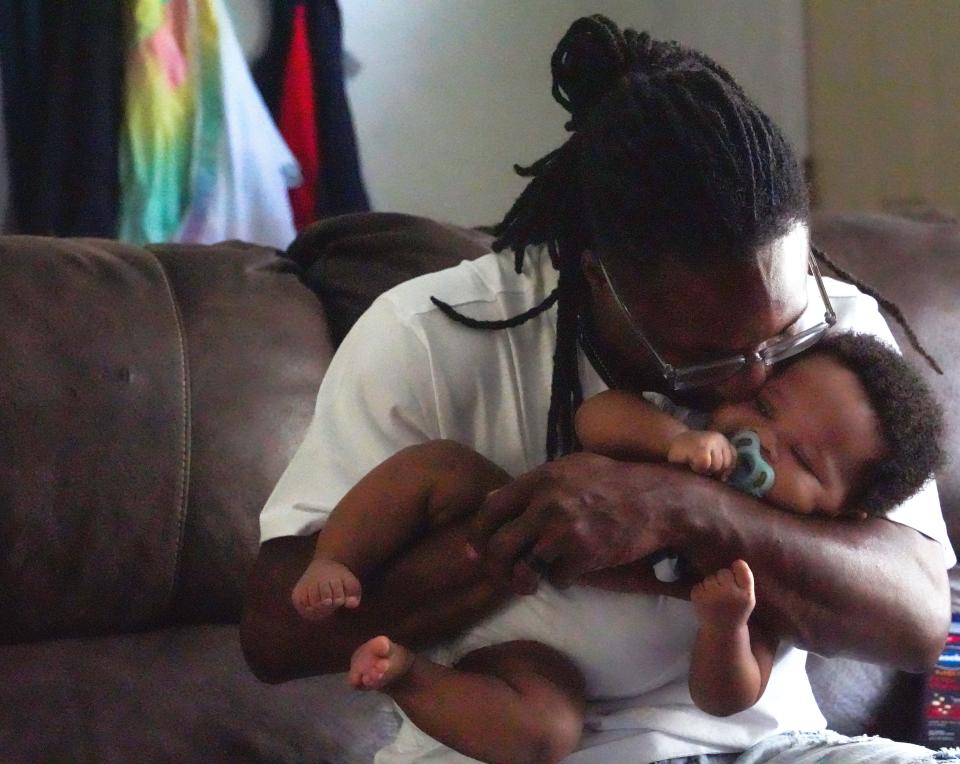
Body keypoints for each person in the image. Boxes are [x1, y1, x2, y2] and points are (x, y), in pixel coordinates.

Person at [242, 15, 956, 763]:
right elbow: (276, 637)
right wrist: (515, 537)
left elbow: (915, 619)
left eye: (778, 336)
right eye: (709, 353)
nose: (755, 376)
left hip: (773, 750)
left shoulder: (833, 339)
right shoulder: (430, 335)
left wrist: (680, 509)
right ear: (594, 278)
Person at [286, 332, 943, 763]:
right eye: (767, 409)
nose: (763, 443)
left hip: (537, 663)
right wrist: (667, 446)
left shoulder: (763, 572)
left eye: (800, 458)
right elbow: (595, 419)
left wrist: (724, 624)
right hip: (500, 533)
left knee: (547, 732)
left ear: (845, 515)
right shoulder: (687, 432)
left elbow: (727, 695)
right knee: (438, 467)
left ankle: (405, 673)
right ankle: (335, 557)